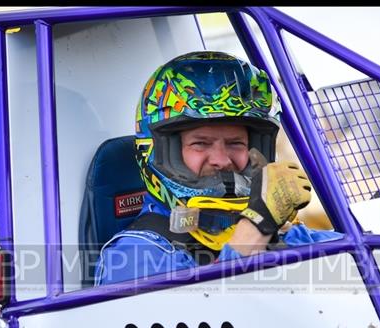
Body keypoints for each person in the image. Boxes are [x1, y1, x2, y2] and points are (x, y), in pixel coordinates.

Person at [94, 51, 342, 285]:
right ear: (161, 151)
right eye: (201, 144)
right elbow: (217, 311)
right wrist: (257, 225)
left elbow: (354, 256)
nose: (222, 160)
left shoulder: (279, 231)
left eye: (236, 143)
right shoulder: (135, 256)